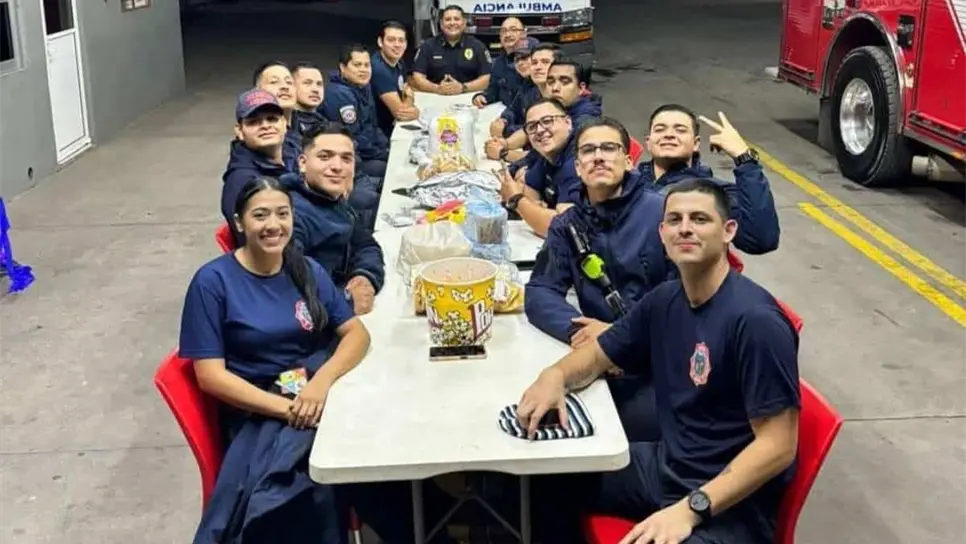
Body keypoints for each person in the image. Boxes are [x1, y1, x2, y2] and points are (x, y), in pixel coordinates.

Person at [517, 178, 801, 544]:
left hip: (728, 504)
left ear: (728, 231)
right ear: (662, 233)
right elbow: (601, 350)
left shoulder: (756, 321)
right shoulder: (665, 299)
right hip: (668, 466)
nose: (685, 228)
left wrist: (691, 509)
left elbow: (778, 445)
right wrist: (554, 375)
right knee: (546, 477)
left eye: (700, 219)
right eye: (675, 220)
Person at [183, 176, 371, 543]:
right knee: (304, 480)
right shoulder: (212, 282)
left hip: (306, 391)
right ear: (239, 222)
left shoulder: (305, 270)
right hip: (257, 408)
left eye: (282, 214)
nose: (273, 225)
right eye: (260, 215)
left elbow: (357, 333)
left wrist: (319, 384)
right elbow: (211, 377)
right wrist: (288, 410)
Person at [524, 117, 670, 442]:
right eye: (588, 151)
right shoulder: (569, 225)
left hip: (661, 364)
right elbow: (539, 292)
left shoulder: (665, 217)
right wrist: (579, 331)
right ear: (577, 168)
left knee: (569, 434)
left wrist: (619, 337)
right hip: (600, 360)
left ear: (629, 160)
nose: (598, 157)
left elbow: (687, 303)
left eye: (609, 148)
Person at [639, 104, 780, 255]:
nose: (669, 135)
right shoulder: (627, 183)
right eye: (660, 129)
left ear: (696, 143)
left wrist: (744, 158)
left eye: (680, 130)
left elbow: (761, 241)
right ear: (648, 142)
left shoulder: (715, 193)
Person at [281, 123, 386, 316]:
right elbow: (285, 293)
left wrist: (365, 276)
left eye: (346, 159)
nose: (337, 167)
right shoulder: (290, 217)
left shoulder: (331, 198)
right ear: (302, 163)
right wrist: (344, 300)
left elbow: (366, 244)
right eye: (325, 157)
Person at [495, 98, 581, 237]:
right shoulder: (546, 152)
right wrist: (535, 210)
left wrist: (516, 199)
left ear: (568, 122)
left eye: (547, 121)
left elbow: (564, 229)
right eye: (532, 126)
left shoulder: (579, 160)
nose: (540, 130)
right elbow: (531, 189)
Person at [221, 89, 290, 244]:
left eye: (272, 119)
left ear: (285, 124)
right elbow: (259, 244)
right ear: (239, 131)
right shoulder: (242, 181)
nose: (265, 126)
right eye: (253, 122)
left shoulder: (292, 156)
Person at [321, 44, 390, 181]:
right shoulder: (340, 95)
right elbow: (353, 138)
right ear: (343, 67)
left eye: (367, 65)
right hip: (351, 159)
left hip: (367, 151)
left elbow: (372, 126)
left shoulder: (363, 87)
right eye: (357, 65)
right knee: (390, 170)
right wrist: (383, 153)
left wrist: (387, 146)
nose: (363, 70)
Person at [486, 43, 560, 165]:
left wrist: (504, 152)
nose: (537, 67)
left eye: (545, 62)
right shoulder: (530, 87)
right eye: (535, 62)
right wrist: (505, 142)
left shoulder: (564, 103)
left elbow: (549, 157)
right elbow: (528, 127)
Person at [410, 5, 491, 94]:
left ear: (464, 23)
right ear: (441, 24)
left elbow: (487, 78)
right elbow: (417, 77)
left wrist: (463, 87)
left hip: (469, 98)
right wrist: (437, 89)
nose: (452, 23)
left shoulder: (477, 46)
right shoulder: (427, 46)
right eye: (448, 19)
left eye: (456, 19)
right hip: (434, 97)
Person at [472, 19, 537, 109]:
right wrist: (482, 97)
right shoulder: (498, 63)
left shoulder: (536, 57)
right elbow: (493, 91)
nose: (508, 35)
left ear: (524, 34)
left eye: (513, 30)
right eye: (503, 31)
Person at [371, 20, 420, 139]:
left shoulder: (399, 62)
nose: (397, 45)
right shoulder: (379, 69)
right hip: (379, 133)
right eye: (391, 40)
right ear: (380, 42)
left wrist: (407, 95)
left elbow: (406, 89)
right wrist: (411, 100)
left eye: (401, 40)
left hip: (390, 125)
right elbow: (401, 113)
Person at [252, 61, 302, 171]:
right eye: (274, 82)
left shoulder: (305, 128)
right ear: (258, 92)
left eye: (289, 82)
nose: (285, 87)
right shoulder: (263, 136)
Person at [291, 62, 327, 135]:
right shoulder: (283, 124)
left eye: (319, 84)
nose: (315, 90)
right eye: (307, 83)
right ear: (291, 86)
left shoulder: (327, 124)